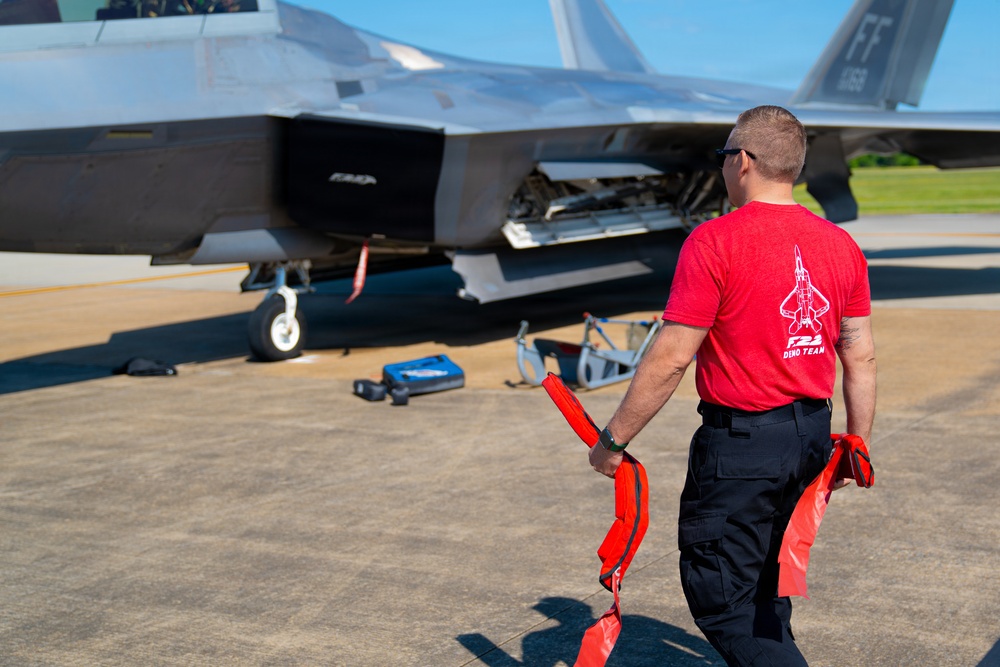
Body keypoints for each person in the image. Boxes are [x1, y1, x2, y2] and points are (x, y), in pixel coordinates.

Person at [587, 105, 877, 666]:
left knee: (724, 600)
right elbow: (859, 355)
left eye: (723, 156)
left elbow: (672, 358)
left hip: (743, 447)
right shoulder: (840, 244)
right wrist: (855, 445)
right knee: (767, 584)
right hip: (810, 436)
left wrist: (613, 440)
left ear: (742, 161)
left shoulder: (715, 241)